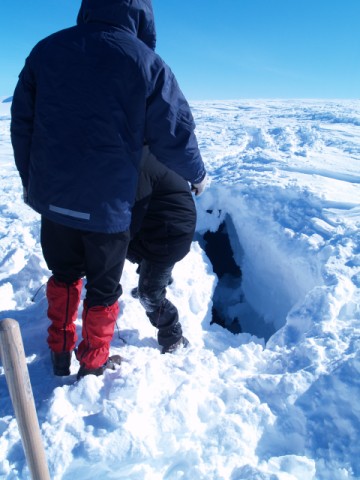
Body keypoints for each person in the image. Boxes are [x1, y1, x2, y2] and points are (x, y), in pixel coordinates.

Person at [10, 0, 207, 379]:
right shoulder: (145, 62)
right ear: (141, 15)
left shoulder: (46, 50)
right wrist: (196, 175)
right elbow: (175, 134)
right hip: (108, 207)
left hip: (55, 200)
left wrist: (34, 184)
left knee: (64, 277)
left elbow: (23, 126)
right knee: (103, 290)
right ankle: (93, 365)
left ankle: (59, 354)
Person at [127, 147, 206, 353]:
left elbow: (128, 217)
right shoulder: (145, 152)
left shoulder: (136, 165)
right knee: (124, 246)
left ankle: (173, 337)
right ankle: (153, 277)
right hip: (163, 225)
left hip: (168, 236)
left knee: (149, 295)